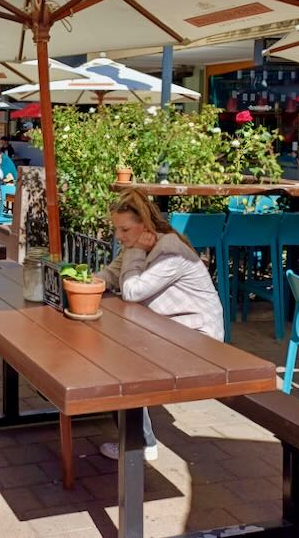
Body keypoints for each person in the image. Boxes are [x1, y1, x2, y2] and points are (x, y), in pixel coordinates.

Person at [94, 188, 225, 463]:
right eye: (117, 229)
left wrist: (135, 252)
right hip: (170, 330)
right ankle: (133, 432)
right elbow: (110, 274)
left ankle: (140, 443)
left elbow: (132, 290)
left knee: (121, 360)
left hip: (200, 340)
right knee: (111, 348)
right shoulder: (136, 245)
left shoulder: (170, 250)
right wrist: (83, 282)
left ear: (145, 225)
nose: (119, 236)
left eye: (125, 230)